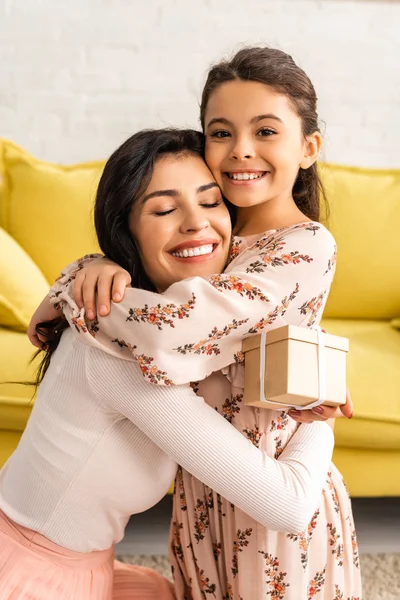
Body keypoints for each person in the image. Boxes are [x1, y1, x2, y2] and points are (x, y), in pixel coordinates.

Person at [40, 47, 362, 599]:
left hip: (273, 485)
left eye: (265, 131)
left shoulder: (304, 247)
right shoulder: (216, 230)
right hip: (205, 486)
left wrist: (76, 290)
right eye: (220, 132)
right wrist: (100, 264)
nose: (241, 151)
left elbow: (172, 326)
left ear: (307, 147)